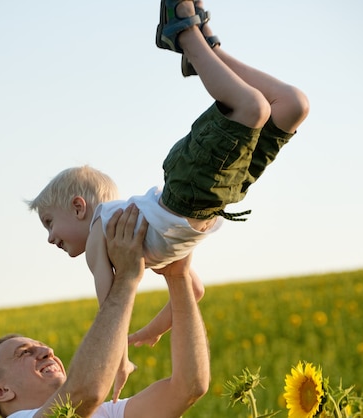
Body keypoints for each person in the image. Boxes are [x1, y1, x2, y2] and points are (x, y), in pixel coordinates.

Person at [28, 0, 310, 399]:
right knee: (293, 106)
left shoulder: (101, 237)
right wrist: (151, 331)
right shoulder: (144, 250)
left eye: (48, 223)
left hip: (188, 191)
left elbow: (109, 305)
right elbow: (193, 291)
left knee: (253, 107)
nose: (49, 238)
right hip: (217, 201)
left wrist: (121, 350)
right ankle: (207, 53)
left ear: (78, 207)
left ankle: (181, 34)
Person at [0, 205, 210, 418]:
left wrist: (178, 276)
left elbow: (187, 388)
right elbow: (84, 393)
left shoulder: (106, 413)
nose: (47, 350)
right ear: (0, 391)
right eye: (23, 352)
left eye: (39, 346)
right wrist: (126, 278)